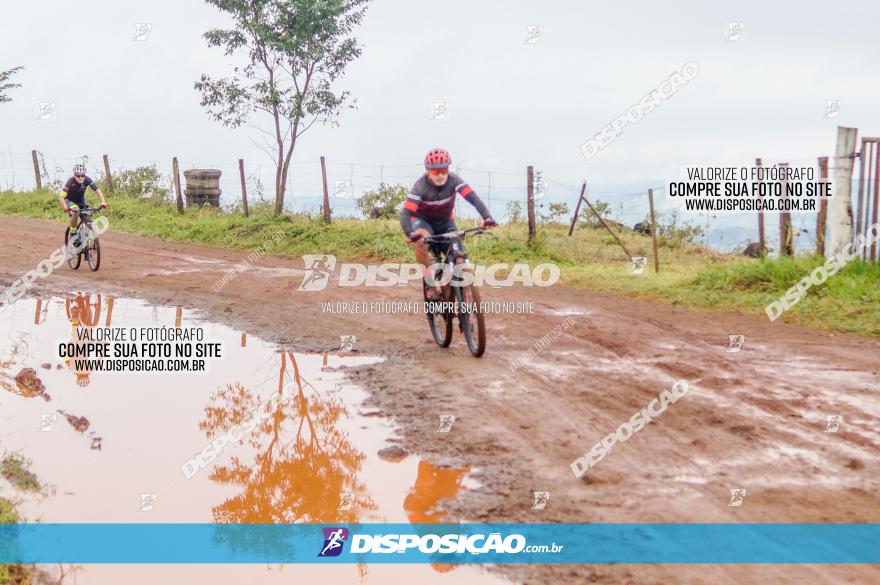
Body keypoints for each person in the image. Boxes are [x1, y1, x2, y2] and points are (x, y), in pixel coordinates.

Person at [400, 148, 497, 300]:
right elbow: (405, 213)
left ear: (448, 169)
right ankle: (430, 283)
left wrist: (487, 218)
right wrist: (411, 233)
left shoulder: (454, 180)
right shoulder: (420, 186)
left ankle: (463, 299)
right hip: (423, 222)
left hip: (446, 223)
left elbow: (473, 198)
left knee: (460, 258)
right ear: (427, 172)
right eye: (435, 172)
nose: (440, 175)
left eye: (443, 170)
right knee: (422, 245)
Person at [58, 163, 108, 243]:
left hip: (81, 201)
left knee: (87, 216)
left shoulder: (87, 179)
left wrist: (103, 202)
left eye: (82, 175)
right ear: (74, 175)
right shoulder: (70, 181)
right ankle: (73, 233)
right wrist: (65, 206)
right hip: (69, 200)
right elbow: (61, 196)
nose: (80, 177)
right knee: (76, 210)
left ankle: (85, 238)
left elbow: (98, 191)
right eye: (78, 176)